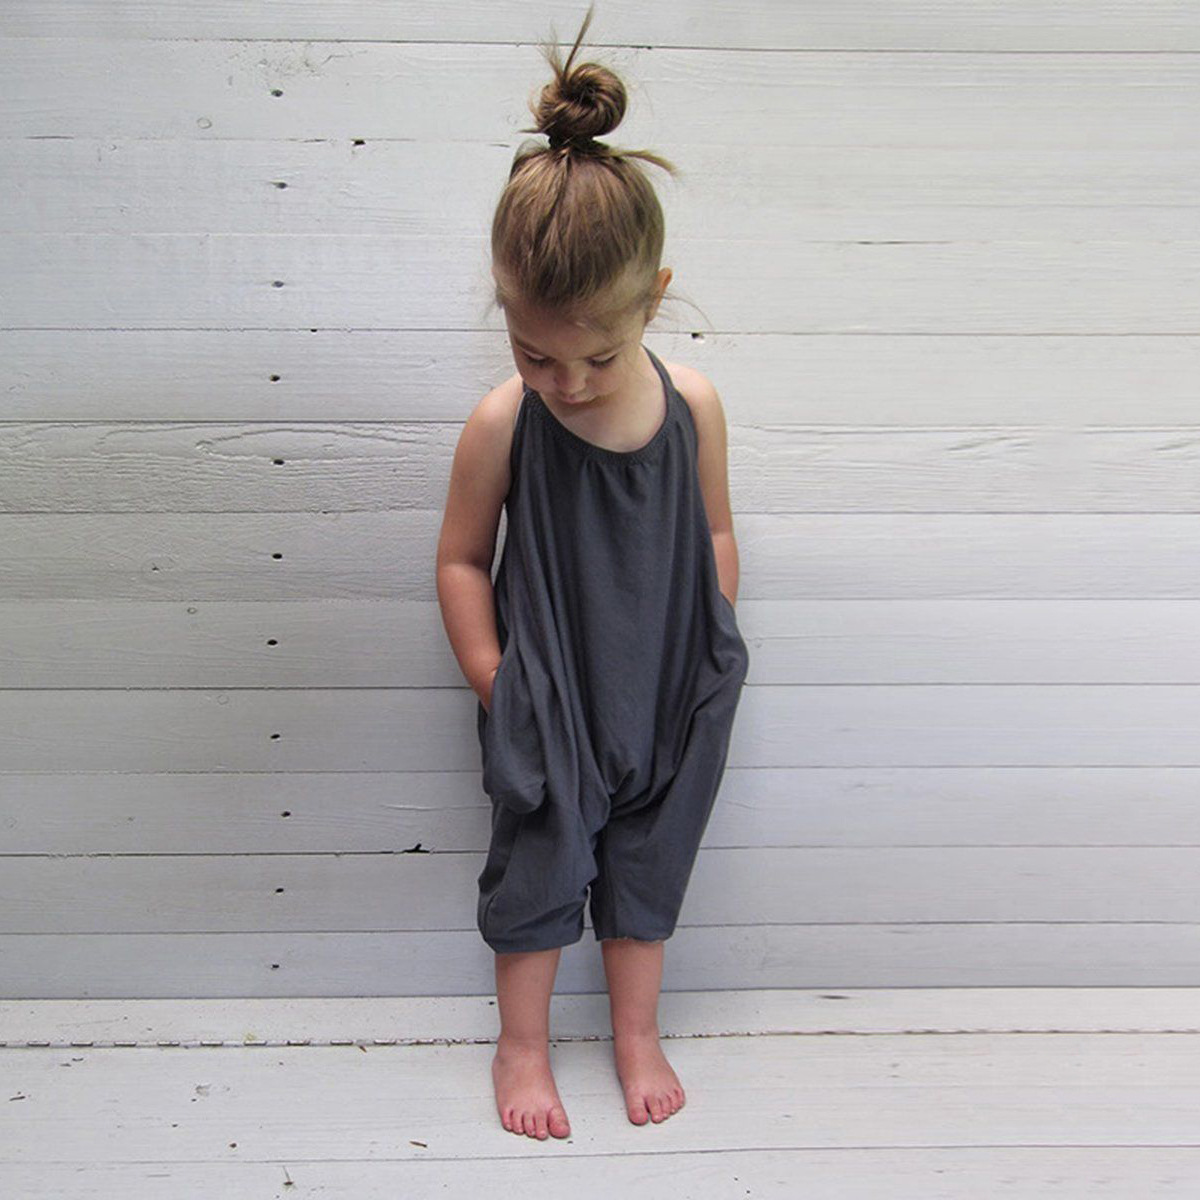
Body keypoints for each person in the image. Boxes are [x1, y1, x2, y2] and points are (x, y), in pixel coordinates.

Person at [435, 3, 750, 1141]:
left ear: (654, 297)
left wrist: (707, 638)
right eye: (535, 352)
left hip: (667, 685)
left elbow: (714, 533)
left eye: (597, 356)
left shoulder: (693, 406)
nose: (565, 381)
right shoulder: (505, 422)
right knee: (539, 861)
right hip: (554, 692)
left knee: (651, 863)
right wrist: (496, 679)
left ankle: (635, 1034)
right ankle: (521, 1049)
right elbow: (461, 559)